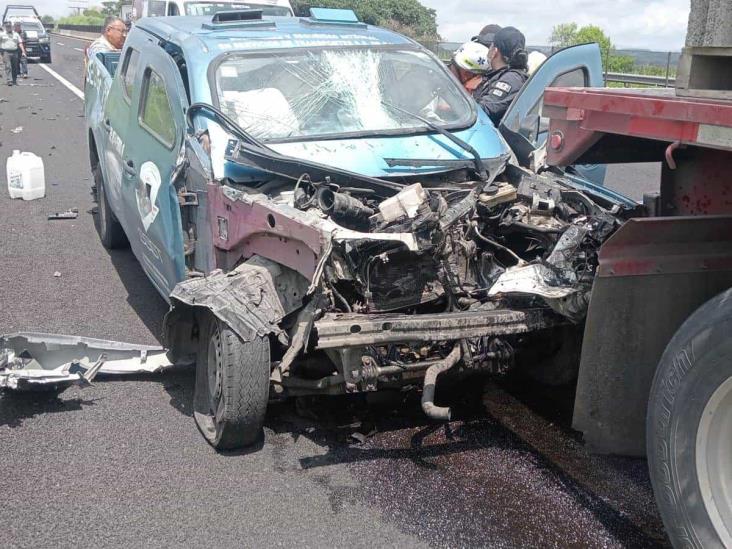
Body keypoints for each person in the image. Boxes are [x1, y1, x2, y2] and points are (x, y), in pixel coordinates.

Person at [473, 26, 529, 125]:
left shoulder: (511, 79)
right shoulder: (500, 76)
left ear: (494, 51)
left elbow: (482, 111)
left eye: (490, 46)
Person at [0, 21, 24, 86]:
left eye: (9, 26)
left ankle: (14, 80)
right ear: (5, 27)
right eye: (7, 26)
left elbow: (20, 43)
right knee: (8, 66)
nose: (8, 28)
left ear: (12, 27)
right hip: (5, 52)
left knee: (15, 66)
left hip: (15, 52)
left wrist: (23, 52)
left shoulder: (16, 34)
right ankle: (9, 80)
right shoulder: (2, 34)